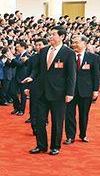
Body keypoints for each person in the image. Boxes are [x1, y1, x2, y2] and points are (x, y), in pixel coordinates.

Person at [23, 26, 76, 156]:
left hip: (59, 93)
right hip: (41, 91)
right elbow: (37, 69)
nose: (50, 36)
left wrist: (70, 93)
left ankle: (55, 146)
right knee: (39, 120)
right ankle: (41, 145)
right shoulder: (43, 50)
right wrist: (31, 77)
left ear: (62, 36)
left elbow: (71, 75)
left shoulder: (68, 53)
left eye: (53, 34)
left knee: (57, 121)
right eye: (50, 34)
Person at [64, 34, 99, 143]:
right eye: (73, 42)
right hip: (70, 91)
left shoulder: (93, 57)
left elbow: (96, 75)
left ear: (84, 43)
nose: (73, 44)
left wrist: (95, 90)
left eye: (76, 42)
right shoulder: (67, 56)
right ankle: (70, 136)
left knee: (84, 114)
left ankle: (83, 134)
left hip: (86, 90)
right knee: (69, 114)